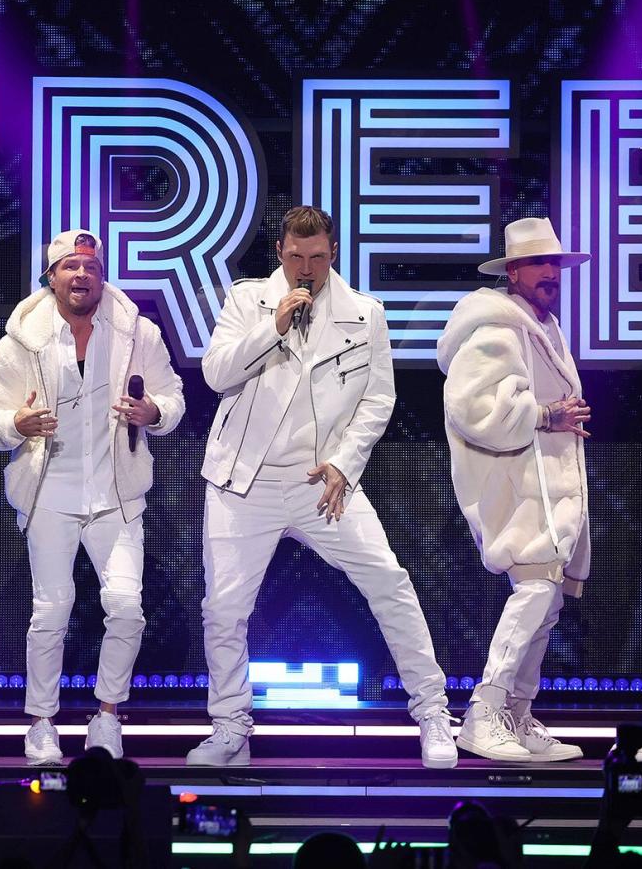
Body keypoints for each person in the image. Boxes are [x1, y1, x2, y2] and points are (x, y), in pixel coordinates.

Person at [187, 205, 456, 769]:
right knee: (225, 609)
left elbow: (378, 398)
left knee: (389, 581)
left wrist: (343, 463)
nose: (303, 269)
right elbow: (217, 375)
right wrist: (274, 326)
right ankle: (231, 725)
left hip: (322, 483)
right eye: (293, 257)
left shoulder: (365, 314)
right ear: (279, 253)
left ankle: (433, 714)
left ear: (332, 253)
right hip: (245, 482)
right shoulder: (248, 301)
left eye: (315, 257)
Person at [0, 229, 185, 765]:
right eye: (69, 267)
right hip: (50, 491)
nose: (80, 275)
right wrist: (17, 423)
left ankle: (107, 717)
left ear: (101, 275)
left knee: (126, 607)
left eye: (89, 267)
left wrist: (154, 413)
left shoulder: (138, 333)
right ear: (51, 278)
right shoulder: (19, 341)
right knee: (52, 608)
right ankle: (42, 723)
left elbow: (172, 397)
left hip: (114, 494)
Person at [436, 217, 591, 763]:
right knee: (535, 596)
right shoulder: (497, 327)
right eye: (539, 265)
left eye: (556, 265)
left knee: (544, 605)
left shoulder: (539, 325)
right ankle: (484, 712)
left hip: (546, 488)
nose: (551, 274)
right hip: (521, 487)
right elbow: (473, 408)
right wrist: (546, 415)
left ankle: (518, 716)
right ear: (514, 272)